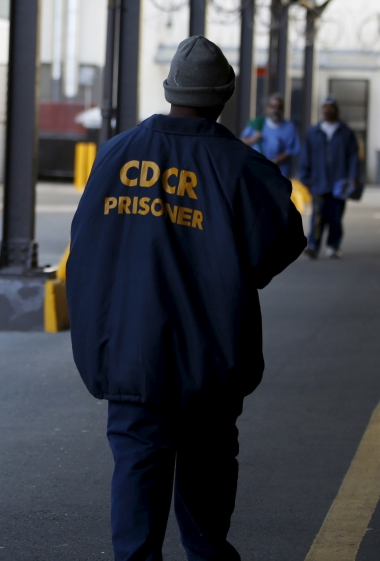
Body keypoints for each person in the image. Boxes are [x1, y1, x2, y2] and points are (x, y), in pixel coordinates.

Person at [67, 36, 306, 561]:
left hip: (131, 352)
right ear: (226, 95)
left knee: (136, 466)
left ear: (170, 89)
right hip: (210, 354)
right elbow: (283, 241)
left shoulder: (117, 153)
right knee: (207, 467)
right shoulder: (240, 167)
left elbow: (85, 245)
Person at [299, 94, 361, 259]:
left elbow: (354, 156)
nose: (328, 110)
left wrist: (353, 177)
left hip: (339, 183)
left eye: (331, 107)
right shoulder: (313, 132)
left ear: (336, 109)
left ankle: (333, 246)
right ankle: (313, 245)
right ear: (322, 109)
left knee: (335, 216)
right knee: (317, 216)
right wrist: (305, 178)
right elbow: (306, 156)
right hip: (318, 181)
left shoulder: (345, 132)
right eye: (325, 107)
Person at [240, 93, 301, 177]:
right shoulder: (258, 123)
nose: (275, 110)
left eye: (279, 108)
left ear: (283, 109)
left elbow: (291, 150)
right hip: (257, 170)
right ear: (268, 108)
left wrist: (274, 161)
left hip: (279, 172)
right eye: (273, 107)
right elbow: (242, 142)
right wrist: (253, 139)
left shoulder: (289, 127)